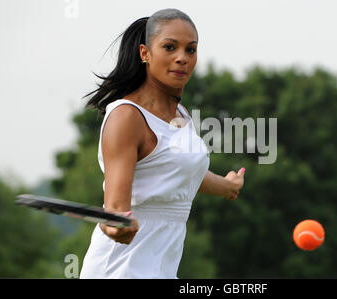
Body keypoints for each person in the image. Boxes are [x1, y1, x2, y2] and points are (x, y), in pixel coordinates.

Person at [79, 8, 245, 279]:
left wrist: (227, 186)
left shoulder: (181, 116)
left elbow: (181, 170)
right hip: (120, 269)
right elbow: (115, 208)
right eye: (170, 47)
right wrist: (116, 226)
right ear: (145, 53)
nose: (182, 58)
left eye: (190, 50)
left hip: (162, 268)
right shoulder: (126, 117)